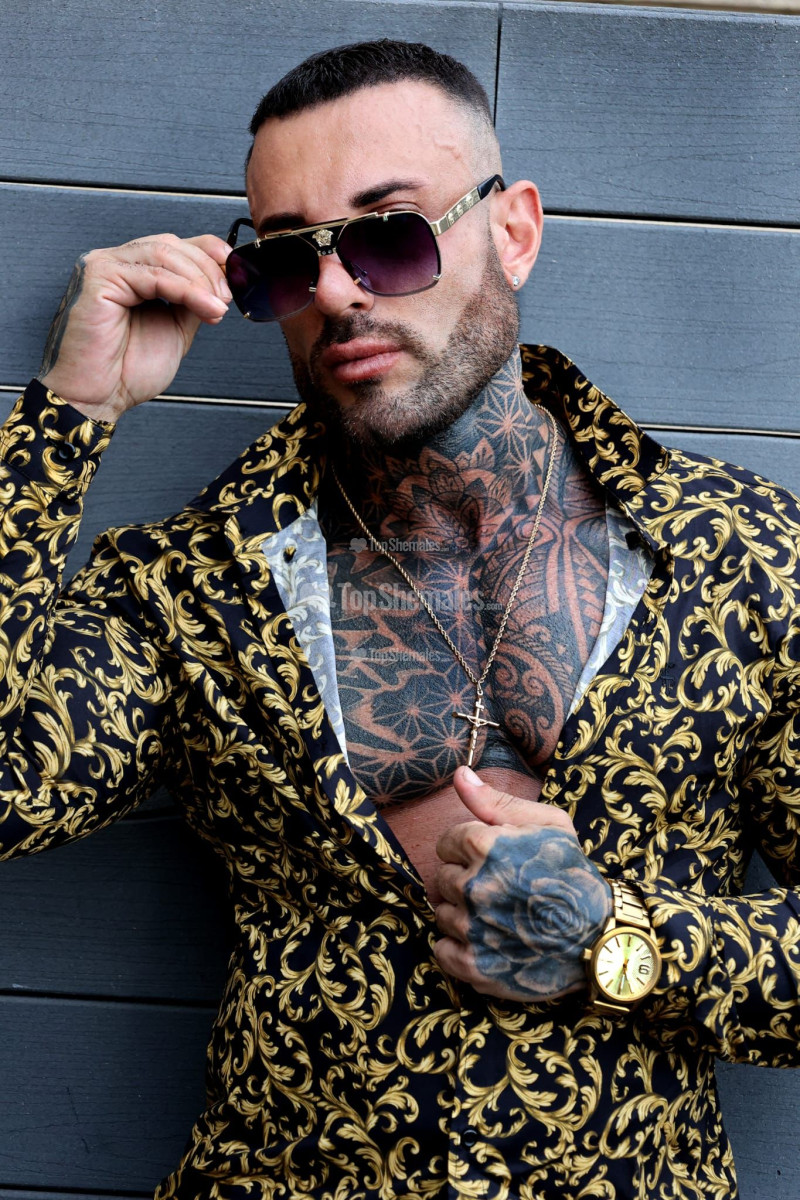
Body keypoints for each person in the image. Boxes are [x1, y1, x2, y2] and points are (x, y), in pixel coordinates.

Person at [1, 36, 799, 1200]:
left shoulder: (739, 558)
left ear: (512, 231)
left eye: (388, 235)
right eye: (285, 260)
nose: (335, 293)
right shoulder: (198, 586)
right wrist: (68, 416)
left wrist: (618, 943)